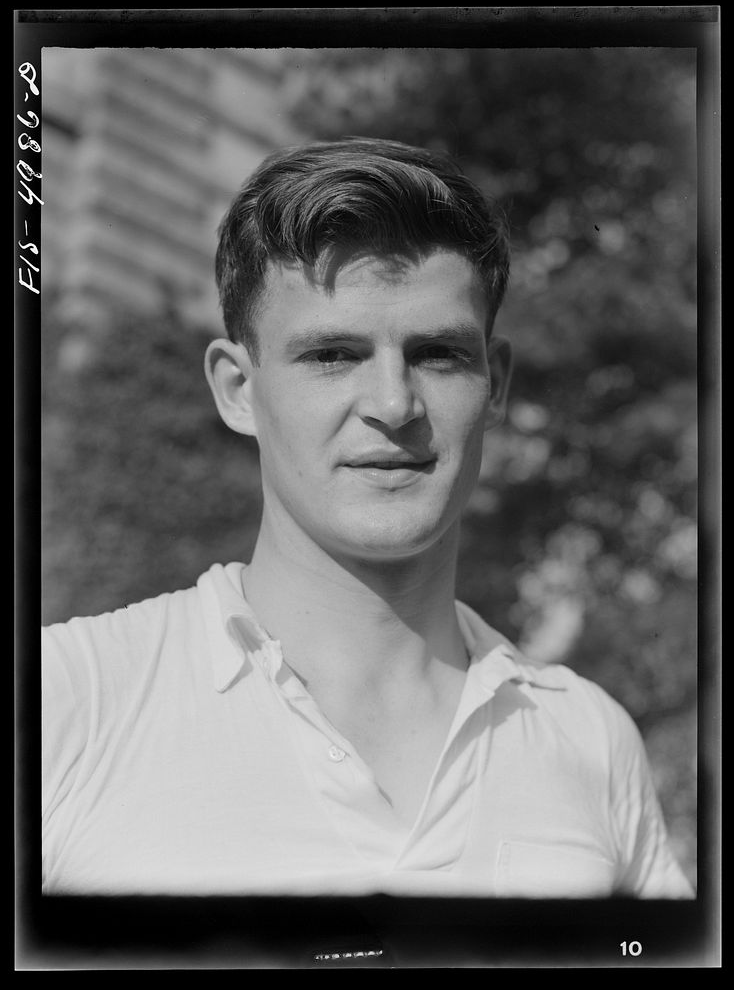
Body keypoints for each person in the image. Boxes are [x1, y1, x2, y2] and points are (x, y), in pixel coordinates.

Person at [41, 137, 693, 899]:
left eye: (439, 355)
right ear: (236, 390)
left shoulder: (589, 740)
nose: (393, 405)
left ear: (496, 383)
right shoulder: (67, 699)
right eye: (333, 355)